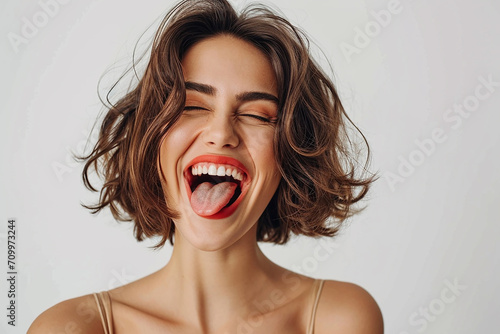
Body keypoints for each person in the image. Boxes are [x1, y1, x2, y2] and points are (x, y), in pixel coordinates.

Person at [29, 0, 383, 333]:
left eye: (256, 115)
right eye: (192, 106)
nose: (220, 133)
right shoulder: (75, 326)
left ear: (291, 153)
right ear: (151, 138)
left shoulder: (336, 318)